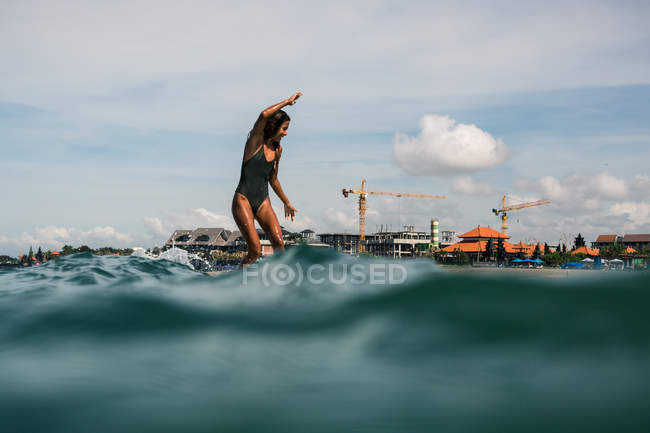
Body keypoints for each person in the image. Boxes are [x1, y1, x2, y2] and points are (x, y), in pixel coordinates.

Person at [232, 92, 302, 266]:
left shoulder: (278, 150)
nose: (286, 133)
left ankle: (278, 283)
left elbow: (273, 179)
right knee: (255, 251)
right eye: (284, 128)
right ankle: (237, 284)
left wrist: (286, 202)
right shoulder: (255, 141)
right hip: (243, 199)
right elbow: (263, 114)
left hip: (263, 201)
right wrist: (287, 102)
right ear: (274, 126)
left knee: (279, 245)